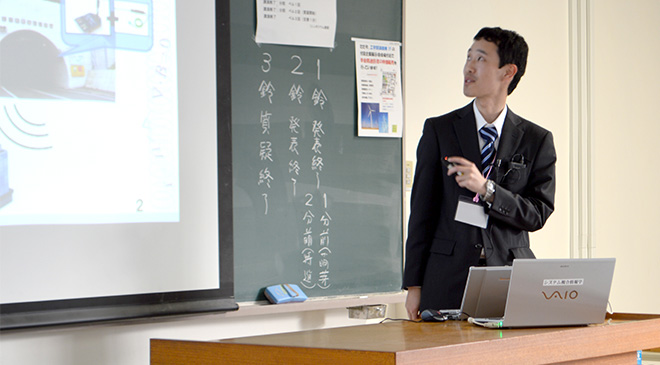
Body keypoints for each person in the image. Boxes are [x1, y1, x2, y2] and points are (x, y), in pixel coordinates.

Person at [403, 27, 556, 320]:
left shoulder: (536, 139)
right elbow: (422, 212)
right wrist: (414, 284)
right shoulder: (440, 130)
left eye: (481, 59)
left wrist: (488, 189)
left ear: (508, 72)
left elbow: (538, 213)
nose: (469, 67)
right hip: (446, 278)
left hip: (510, 278)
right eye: (468, 57)